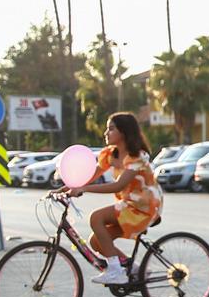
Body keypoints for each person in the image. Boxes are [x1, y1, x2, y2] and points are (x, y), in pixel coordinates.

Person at [65, 113, 163, 285]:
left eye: (111, 129)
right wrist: (65, 188)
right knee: (96, 242)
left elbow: (118, 185)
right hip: (128, 205)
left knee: (96, 218)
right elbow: (89, 176)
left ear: (124, 132)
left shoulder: (137, 157)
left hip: (144, 206)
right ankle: (135, 269)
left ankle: (116, 271)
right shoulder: (111, 155)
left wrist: (84, 189)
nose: (106, 133)